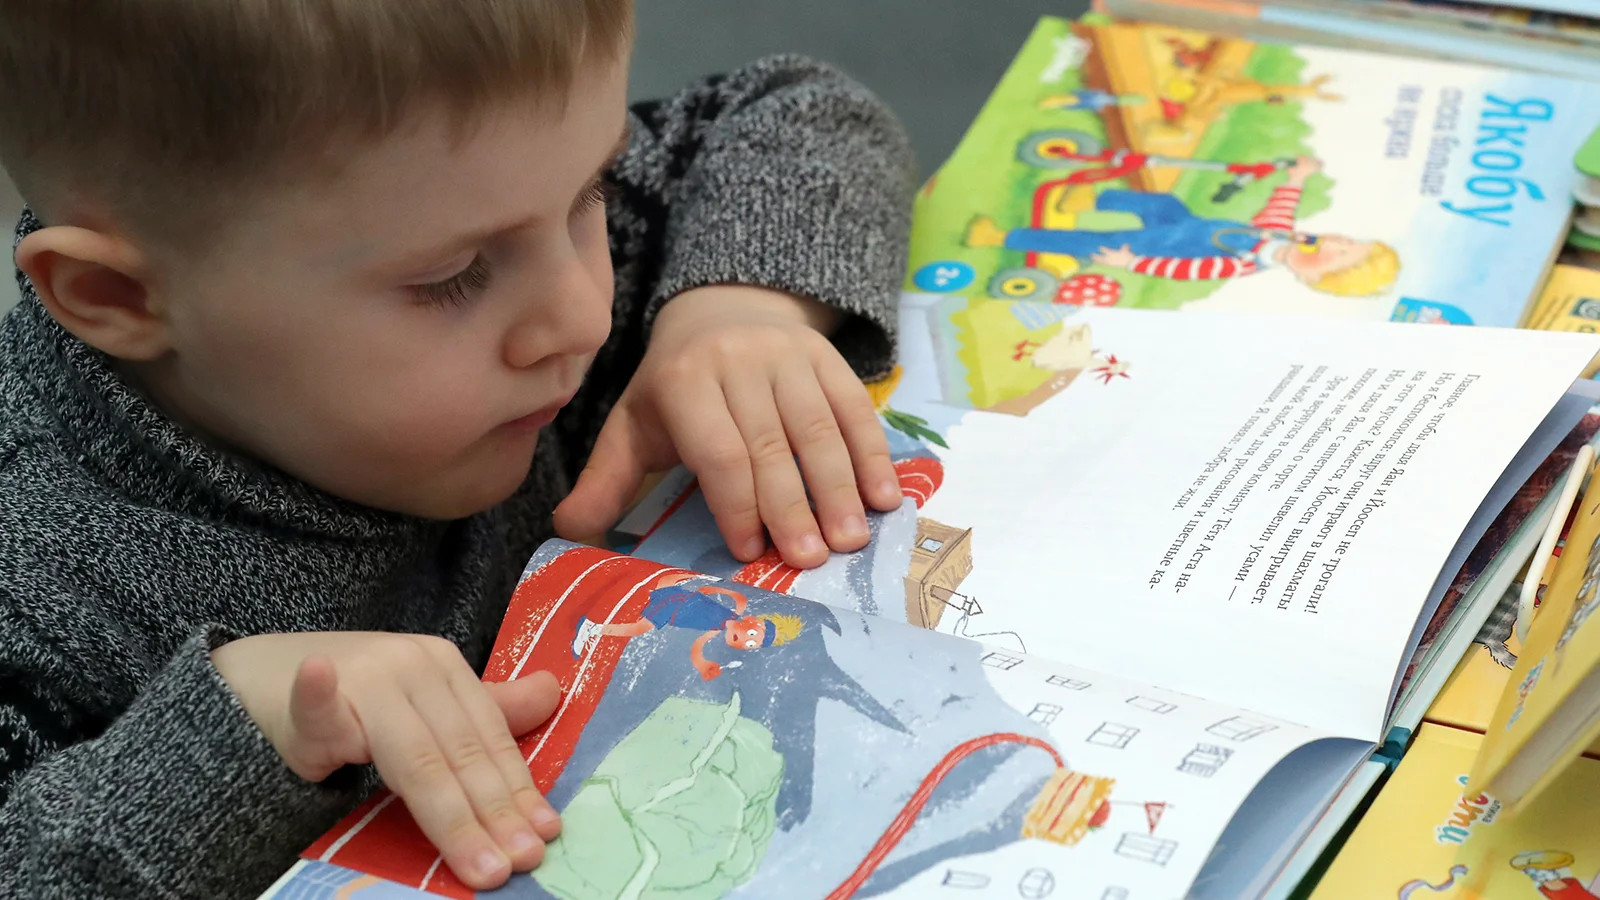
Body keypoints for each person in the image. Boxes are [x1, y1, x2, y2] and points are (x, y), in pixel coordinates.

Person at [0, 1, 915, 896]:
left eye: (591, 193)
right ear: (117, 298)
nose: (581, 315)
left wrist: (735, 308)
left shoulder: (494, 193)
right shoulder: (36, 581)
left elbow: (800, 111)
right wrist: (232, 732)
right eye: (453, 277)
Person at [964, 156, 1400, 297]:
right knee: (1163, 203)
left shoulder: (1240, 264)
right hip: (1181, 223)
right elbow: (1281, 207)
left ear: (1314, 277)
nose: (1339, 243)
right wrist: (1297, 176)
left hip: (1154, 247)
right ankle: (1089, 199)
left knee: (1094, 242)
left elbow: (1183, 270)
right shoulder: (1278, 236)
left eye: (1343, 255)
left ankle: (999, 237)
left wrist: (1132, 263)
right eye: (1350, 242)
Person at [572, 572, 802, 679]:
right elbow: (732, 594)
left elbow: (698, 647)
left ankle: (592, 628)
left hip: (675, 608)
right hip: (676, 604)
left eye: (750, 645)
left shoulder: (717, 629)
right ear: (753, 622)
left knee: (641, 622)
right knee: (639, 628)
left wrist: (702, 666)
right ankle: (590, 628)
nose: (744, 641)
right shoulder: (737, 610)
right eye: (751, 635)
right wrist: (706, 584)